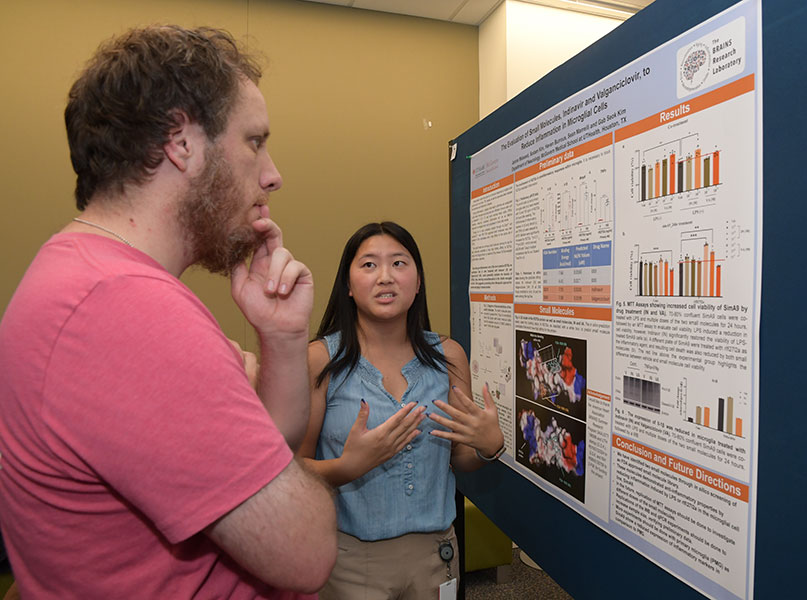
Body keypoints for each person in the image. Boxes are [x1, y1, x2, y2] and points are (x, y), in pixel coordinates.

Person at [0, 25, 336, 598]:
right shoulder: (125, 309)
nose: (272, 173)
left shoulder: (82, 272)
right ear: (181, 143)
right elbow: (307, 550)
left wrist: (280, 338)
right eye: (254, 141)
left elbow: (263, 457)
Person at [297, 222, 506, 599]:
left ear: (418, 281)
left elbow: (459, 457)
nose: (385, 277)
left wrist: (487, 447)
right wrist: (347, 467)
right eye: (369, 265)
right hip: (350, 562)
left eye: (398, 263)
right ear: (348, 284)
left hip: (436, 556)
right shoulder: (320, 360)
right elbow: (293, 471)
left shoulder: (448, 356)